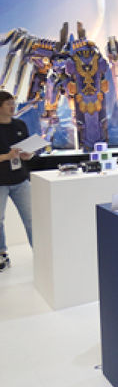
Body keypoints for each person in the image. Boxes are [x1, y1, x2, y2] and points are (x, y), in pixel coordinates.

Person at [0, 91, 34, 271]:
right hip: (1, 182)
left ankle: (40, 251)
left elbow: (27, 150)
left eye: (13, 103)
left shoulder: (20, 125)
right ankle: (2, 254)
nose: (13, 107)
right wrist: (7, 156)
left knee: (31, 218)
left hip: (20, 179)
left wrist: (28, 154)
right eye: (8, 104)